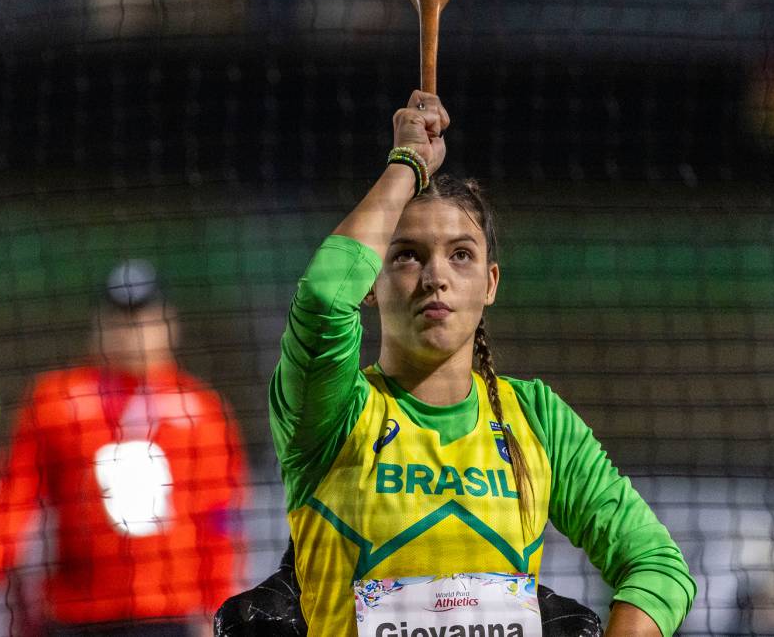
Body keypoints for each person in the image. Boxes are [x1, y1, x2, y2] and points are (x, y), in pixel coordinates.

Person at [267, 91, 696, 636]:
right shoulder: (331, 414)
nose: (435, 276)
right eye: (406, 255)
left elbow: (658, 565)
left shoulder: (538, 418)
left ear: (490, 283)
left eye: (461, 254)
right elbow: (326, 297)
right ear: (372, 283)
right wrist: (406, 165)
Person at [0, 260, 247, 637]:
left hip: (168, 609)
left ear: (169, 323)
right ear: (98, 326)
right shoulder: (56, 400)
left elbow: (219, 515)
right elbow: (16, 494)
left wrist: (216, 603)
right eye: (120, 320)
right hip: (76, 610)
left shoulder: (200, 408)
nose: (132, 332)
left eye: (144, 319)